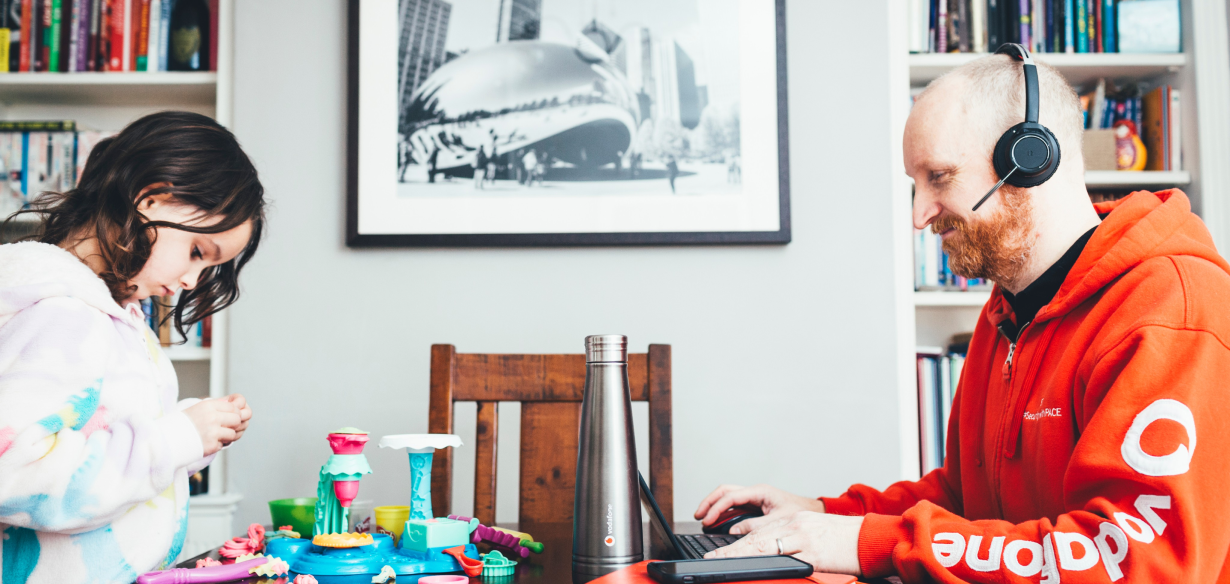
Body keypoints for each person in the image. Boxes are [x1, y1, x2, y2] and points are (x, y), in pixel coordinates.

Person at [696, 51, 1230, 582]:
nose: (918, 214)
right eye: (915, 184)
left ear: (1030, 157)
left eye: (939, 177)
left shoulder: (1173, 310)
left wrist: (869, 544)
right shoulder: (1006, 311)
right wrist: (821, 514)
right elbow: (964, 503)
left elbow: (1142, 563)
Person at [0, 111, 263, 581]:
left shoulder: (110, 312)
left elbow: (97, 428)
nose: (188, 281)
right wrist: (176, 439)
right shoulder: (63, 314)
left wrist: (190, 430)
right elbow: (14, 474)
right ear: (151, 199)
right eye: (198, 253)